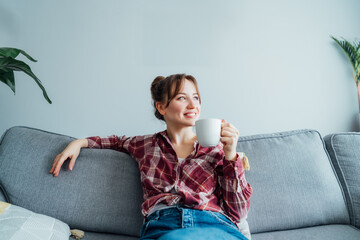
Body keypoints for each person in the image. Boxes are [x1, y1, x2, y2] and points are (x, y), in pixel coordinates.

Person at [50, 74, 253, 240]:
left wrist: (230, 155)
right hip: (163, 226)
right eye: (182, 98)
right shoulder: (145, 145)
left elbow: (238, 214)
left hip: (214, 225)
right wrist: (79, 143)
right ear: (161, 107)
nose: (193, 105)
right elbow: (114, 142)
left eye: (196, 98)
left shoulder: (218, 150)